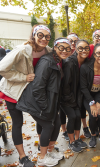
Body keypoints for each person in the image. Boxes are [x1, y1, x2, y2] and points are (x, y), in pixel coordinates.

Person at [0, 25, 52, 167]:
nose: (44, 39)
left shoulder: (48, 51)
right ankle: (23, 157)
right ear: (34, 35)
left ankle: (43, 148)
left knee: (40, 119)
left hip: (31, 92)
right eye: (40, 35)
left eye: (47, 36)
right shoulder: (22, 50)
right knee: (17, 123)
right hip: (14, 91)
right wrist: (23, 77)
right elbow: (2, 68)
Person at [16, 38, 71, 166]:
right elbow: (38, 87)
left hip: (49, 100)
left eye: (67, 49)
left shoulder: (57, 60)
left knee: (56, 123)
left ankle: (50, 152)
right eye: (61, 48)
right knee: (48, 125)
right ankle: (42, 157)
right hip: (36, 101)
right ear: (55, 47)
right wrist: (45, 107)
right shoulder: (47, 61)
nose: (64, 51)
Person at [60, 40, 91, 152]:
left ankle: (77, 139)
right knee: (72, 116)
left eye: (86, 48)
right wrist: (71, 100)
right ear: (76, 49)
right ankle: (71, 142)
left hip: (77, 96)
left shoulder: (86, 62)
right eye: (81, 48)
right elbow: (66, 85)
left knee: (78, 116)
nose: (84, 50)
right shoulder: (69, 63)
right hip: (66, 97)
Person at [80, 44, 100, 147]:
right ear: (94, 55)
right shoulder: (85, 67)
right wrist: (91, 102)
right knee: (93, 115)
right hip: (88, 95)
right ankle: (93, 135)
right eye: (98, 53)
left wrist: (99, 101)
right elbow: (83, 87)